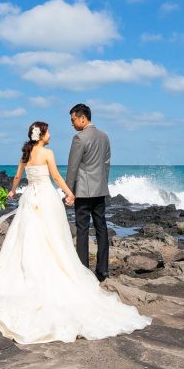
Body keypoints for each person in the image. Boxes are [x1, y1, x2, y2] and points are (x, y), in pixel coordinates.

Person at [0, 121, 151, 345]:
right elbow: (55, 176)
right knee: (53, 239)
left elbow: (16, 176)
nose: (51, 134)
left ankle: (30, 269)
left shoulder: (25, 154)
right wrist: (69, 192)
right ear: (42, 135)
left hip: (29, 199)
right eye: (48, 131)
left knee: (27, 238)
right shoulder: (47, 153)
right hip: (45, 199)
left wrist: (12, 192)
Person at [66, 103, 111, 282]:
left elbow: (73, 168)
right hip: (100, 189)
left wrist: (69, 191)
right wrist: (102, 183)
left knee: (82, 230)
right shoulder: (104, 136)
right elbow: (106, 164)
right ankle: (103, 270)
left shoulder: (79, 138)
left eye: (73, 119)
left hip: (83, 192)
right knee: (102, 228)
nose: (72, 124)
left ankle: (84, 270)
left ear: (82, 117)